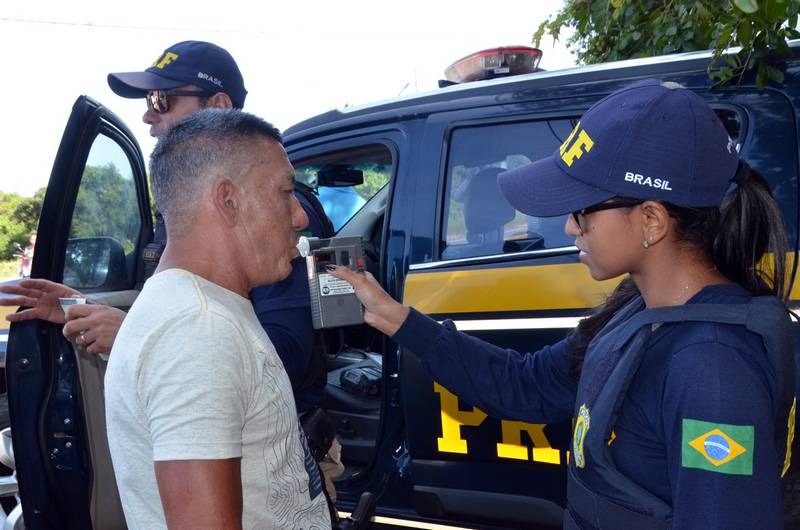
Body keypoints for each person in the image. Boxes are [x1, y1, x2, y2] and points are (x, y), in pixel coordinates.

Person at [329, 80, 796, 529]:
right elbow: (526, 384)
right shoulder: (638, 311)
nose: (570, 229)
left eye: (581, 210)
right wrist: (391, 315)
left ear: (652, 219)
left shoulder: (712, 368)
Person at [0, 40, 343, 497]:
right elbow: (185, 310)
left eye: (162, 100)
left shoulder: (273, 214)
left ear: (219, 107)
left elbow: (287, 355)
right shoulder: (188, 215)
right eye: (148, 102)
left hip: (265, 472)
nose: (148, 116)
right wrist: (79, 308)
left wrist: (132, 335)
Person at [106, 108, 330, 528]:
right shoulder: (197, 329)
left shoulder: (201, 311)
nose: (300, 216)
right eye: (285, 192)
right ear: (228, 201)